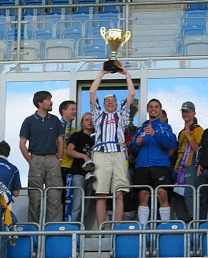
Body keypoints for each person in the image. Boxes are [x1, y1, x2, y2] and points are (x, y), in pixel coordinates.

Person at [89, 63, 135, 226]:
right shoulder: (98, 115)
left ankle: (117, 227)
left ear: (116, 103)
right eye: (107, 100)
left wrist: (126, 74)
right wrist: (102, 72)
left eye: (112, 100)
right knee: (101, 193)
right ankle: (102, 229)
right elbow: (92, 92)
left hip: (118, 152)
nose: (110, 102)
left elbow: (131, 94)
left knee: (119, 193)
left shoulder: (122, 115)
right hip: (101, 154)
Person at [19, 90, 64, 223]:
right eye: (48, 100)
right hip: (36, 159)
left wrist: (59, 159)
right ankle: (34, 231)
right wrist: (30, 161)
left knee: (55, 197)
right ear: (40, 103)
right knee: (35, 198)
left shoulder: (55, 120)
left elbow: (60, 140)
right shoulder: (29, 121)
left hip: (52, 159)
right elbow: (22, 144)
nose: (51, 102)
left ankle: (53, 231)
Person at [130, 99, 176, 225]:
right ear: (147, 109)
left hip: (160, 165)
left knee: (162, 194)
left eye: (156, 107)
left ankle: (165, 227)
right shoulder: (140, 129)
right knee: (143, 195)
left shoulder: (165, 127)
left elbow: (170, 144)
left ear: (160, 110)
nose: (153, 109)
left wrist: (155, 134)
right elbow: (133, 150)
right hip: (142, 166)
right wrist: (137, 143)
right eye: (150, 107)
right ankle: (144, 229)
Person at [174, 101, 203, 221]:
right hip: (180, 169)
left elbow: (199, 150)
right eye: (184, 111)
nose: (186, 114)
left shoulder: (198, 130)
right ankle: (184, 224)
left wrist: (189, 136)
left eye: (188, 111)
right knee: (178, 197)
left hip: (191, 166)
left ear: (194, 113)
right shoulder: (181, 132)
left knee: (189, 195)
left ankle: (194, 222)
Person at [0, 140, 21, 258]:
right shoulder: (13, 168)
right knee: (3, 235)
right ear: (8, 154)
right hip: (5, 204)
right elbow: (17, 192)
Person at [67, 112, 95, 223]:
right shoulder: (77, 135)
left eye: (91, 119)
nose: (90, 121)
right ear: (82, 123)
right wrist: (84, 156)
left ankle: (82, 229)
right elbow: (69, 150)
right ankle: (73, 226)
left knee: (87, 202)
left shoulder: (97, 138)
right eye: (87, 119)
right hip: (79, 171)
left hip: (93, 173)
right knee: (78, 200)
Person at [58, 100, 77, 216]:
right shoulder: (55, 126)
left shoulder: (75, 131)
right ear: (63, 111)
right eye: (72, 109)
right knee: (57, 199)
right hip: (58, 167)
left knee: (69, 200)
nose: (75, 111)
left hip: (71, 169)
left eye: (75, 109)